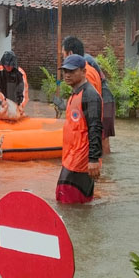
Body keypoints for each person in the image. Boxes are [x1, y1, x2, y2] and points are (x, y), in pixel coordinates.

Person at [56, 54, 102, 204]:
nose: (67, 75)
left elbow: (95, 127)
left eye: (71, 71)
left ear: (83, 71)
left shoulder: (90, 95)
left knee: (67, 199)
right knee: (71, 202)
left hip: (81, 160)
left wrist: (94, 159)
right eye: (65, 71)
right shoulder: (75, 93)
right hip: (71, 156)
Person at [62, 36, 115, 154]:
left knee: (102, 136)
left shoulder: (85, 70)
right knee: (103, 137)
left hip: (104, 101)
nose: (63, 59)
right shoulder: (85, 64)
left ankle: (102, 164)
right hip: (105, 99)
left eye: (63, 54)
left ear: (70, 53)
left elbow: (91, 97)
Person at [0, 50, 29, 116]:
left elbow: (24, 91)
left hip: (14, 102)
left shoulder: (20, 73)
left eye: (10, 65)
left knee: (17, 115)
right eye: (6, 65)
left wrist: (20, 105)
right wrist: (2, 100)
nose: (8, 67)